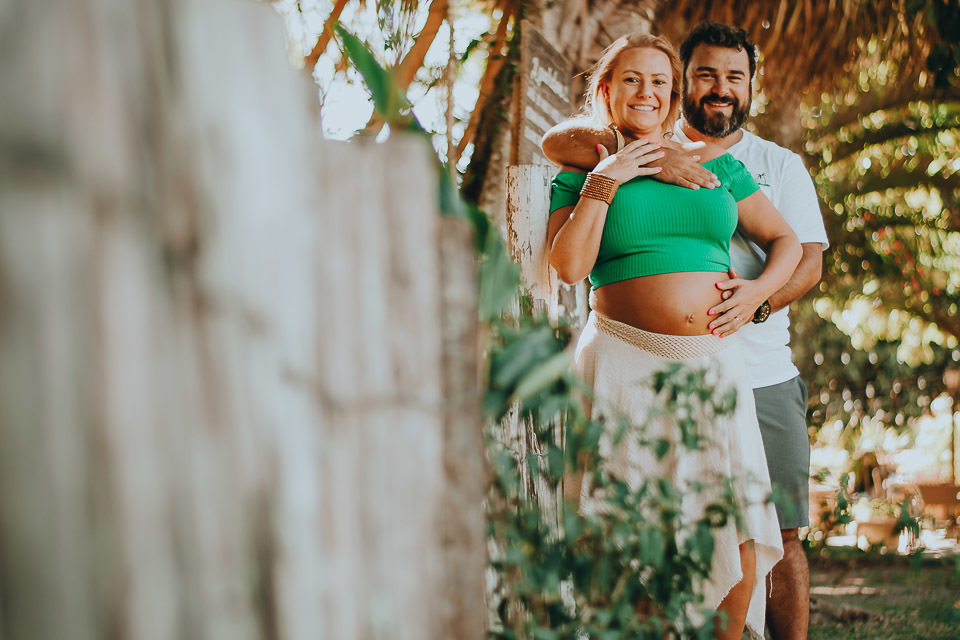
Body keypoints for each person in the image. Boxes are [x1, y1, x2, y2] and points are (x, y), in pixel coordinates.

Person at [542, 22, 829, 640]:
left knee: (742, 540)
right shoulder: (589, 165)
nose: (645, 92)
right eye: (631, 81)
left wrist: (758, 292)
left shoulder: (721, 166)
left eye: (659, 83)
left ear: (674, 98)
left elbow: (787, 241)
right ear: (607, 91)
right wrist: (609, 175)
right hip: (622, 362)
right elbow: (566, 267)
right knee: (632, 540)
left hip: (716, 368)